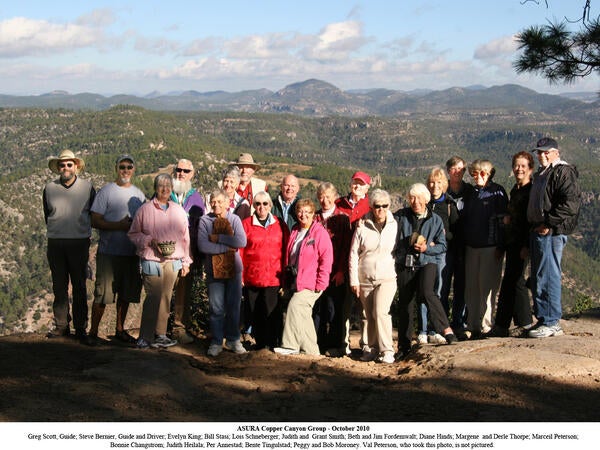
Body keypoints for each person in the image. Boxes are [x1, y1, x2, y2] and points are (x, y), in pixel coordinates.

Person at [87, 154, 146, 346]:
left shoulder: (139, 195)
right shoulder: (106, 192)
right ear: (116, 168)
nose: (126, 170)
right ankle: (93, 332)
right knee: (102, 294)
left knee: (126, 294)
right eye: (122, 167)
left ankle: (120, 331)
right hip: (109, 253)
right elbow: (95, 220)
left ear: (134, 170)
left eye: (129, 167)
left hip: (130, 253)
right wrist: (119, 226)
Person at [128, 174, 192, 349]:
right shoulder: (145, 210)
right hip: (152, 260)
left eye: (168, 186)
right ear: (155, 188)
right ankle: (145, 337)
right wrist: (149, 240)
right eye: (161, 186)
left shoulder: (178, 210)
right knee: (153, 296)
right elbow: (133, 234)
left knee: (165, 297)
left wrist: (186, 261)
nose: (165, 189)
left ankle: (161, 335)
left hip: (173, 261)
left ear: (172, 189)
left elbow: (185, 238)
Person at [394, 184, 457, 359]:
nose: (416, 202)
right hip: (407, 265)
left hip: (427, 262)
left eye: (419, 198)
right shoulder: (401, 216)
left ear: (426, 200)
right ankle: (404, 346)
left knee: (428, 293)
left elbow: (443, 245)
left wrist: (426, 249)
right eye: (412, 198)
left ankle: (446, 330)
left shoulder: (435, 219)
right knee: (405, 302)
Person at [526, 137, 580, 338]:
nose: (542, 155)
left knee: (548, 275)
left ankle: (551, 322)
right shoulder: (544, 172)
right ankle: (543, 319)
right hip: (539, 232)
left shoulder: (562, 172)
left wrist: (548, 223)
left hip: (551, 233)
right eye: (539, 152)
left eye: (546, 152)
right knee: (540, 276)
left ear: (556, 152)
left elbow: (570, 204)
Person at [43, 149, 96, 341]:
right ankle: (62, 326)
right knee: (59, 286)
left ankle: (81, 328)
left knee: (79, 286)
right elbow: (47, 214)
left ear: (76, 166)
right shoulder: (49, 188)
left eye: (69, 164)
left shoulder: (87, 187)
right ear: (58, 167)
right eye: (62, 164)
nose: (66, 167)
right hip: (56, 242)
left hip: (79, 243)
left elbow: (93, 214)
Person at [274, 199, 333, 356]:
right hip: (296, 281)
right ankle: (312, 351)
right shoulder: (295, 230)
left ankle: (290, 345)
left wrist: (321, 282)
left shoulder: (319, 233)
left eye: (307, 212)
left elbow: (326, 259)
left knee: (295, 306)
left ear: (313, 214)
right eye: (300, 211)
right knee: (304, 316)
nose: (303, 215)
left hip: (312, 282)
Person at [349, 189, 398, 364]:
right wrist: (354, 280)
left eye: (385, 206)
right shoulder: (363, 226)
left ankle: (387, 350)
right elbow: (354, 253)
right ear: (371, 207)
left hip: (387, 278)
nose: (381, 210)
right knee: (369, 315)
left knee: (381, 312)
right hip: (365, 277)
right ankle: (372, 348)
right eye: (377, 206)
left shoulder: (396, 224)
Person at [198, 189, 247, 356]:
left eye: (220, 201)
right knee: (216, 307)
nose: (216, 204)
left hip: (234, 269)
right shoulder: (205, 221)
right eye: (213, 201)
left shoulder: (234, 219)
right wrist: (228, 248)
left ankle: (233, 339)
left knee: (234, 306)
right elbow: (203, 246)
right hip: (214, 270)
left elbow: (241, 241)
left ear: (228, 203)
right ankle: (217, 341)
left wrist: (218, 239)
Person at [462, 159, 508, 339]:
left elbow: (504, 222)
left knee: (487, 288)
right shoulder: (471, 193)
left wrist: (501, 245)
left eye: (483, 173)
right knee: (471, 288)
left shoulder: (498, 192)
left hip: (491, 247)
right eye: (475, 173)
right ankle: (472, 325)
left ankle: (486, 326)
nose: (478, 176)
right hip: (471, 247)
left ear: (490, 174)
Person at [492, 151, 535, 337]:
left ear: (530, 169)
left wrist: (527, 245)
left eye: (523, 166)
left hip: (522, 243)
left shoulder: (531, 191)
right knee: (509, 281)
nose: (519, 169)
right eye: (517, 165)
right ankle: (502, 325)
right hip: (511, 242)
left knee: (516, 280)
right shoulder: (516, 190)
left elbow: (530, 221)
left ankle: (524, 322)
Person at [239, 191, 288, 349]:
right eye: (258, 204)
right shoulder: (246, 224)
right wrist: (240, 275)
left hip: (273, 276)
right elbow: (239, 250)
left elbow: (287, 249)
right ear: (253, 206)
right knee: (255, 312)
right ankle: (260, 344)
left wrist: (285, 277)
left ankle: (273, 343)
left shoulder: (279, 224)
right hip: (252, 276)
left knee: (272, 311)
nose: (261, 207)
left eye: (265, 204)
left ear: (270, 206)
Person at [417, 168, 459, 344]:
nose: (435, 186)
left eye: (439, 182)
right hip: (422, 254)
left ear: (444, 184)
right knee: (423, 291)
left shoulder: (449, 205)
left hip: (441, 255)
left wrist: (440, 238)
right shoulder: (423, 204)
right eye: (432, 182)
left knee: (438, 291)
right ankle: (423, 329)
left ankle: (436, 328)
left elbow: (455, 231)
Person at [314, 182, 353, 356]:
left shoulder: (342, 219)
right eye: (321, 197)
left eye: (328, 196)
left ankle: (336, 345)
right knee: (317, 309)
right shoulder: (314, 218)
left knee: (334, 310)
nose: (325, 200)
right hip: (316, 272)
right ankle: (318, 343)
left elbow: (346, 247)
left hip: (335, 271)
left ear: (335, 197)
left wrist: (341, 271)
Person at [335, 171, 372, 351]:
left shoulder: (371, 206)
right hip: (342, 262)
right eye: (355, 183)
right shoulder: (339, 204)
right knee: (345, 306)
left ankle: (366, 343)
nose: (357, 186)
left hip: (363, 263)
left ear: (367, 187)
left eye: (361, 183)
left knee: (364, 306)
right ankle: (344, 343)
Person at [170, 158, 206, 344]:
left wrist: (198, 255)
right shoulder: (164, 194)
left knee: (183, 291)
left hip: (188, 254)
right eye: (178, 170)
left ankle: (179, 328)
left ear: (192, 174)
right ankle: (157, 329)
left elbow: (201, 227)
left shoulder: (196, 198)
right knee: (163, 291)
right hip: (165, 253)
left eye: (185, 171)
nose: (181, 174)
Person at [444, 156, 473, 333]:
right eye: (454, 169)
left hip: (465, 245)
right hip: (446, 246)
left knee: (461, 286)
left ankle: (459, 322)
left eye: (461, 169)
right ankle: (442, 323)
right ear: (448, 171)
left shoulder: (470, 191)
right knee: (443, 285)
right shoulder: (442, 190)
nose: (457, 172)